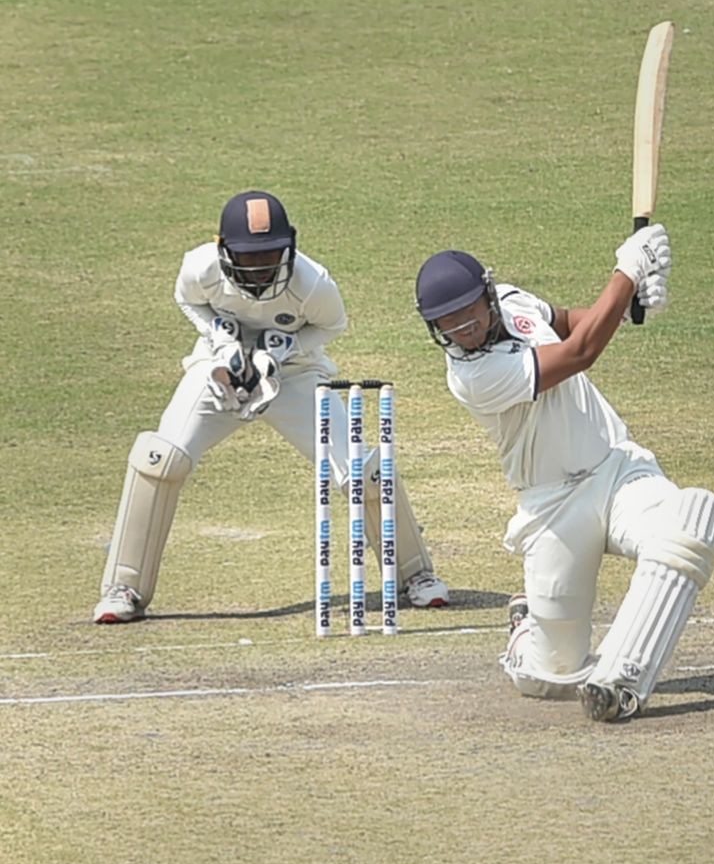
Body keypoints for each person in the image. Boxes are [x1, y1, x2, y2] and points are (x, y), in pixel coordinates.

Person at [413, 225, 714, 722]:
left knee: (692, 521)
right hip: (554, 506)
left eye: (467, 313)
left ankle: (621, 677)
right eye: (446, 324)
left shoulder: (514, 301)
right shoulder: (471, 376)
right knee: (551, 678)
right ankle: (525, 631)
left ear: (489, 295)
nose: (460, 329)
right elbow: (581, 353)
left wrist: (629, 306)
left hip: (619, 469)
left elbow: (567, 324)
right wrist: (628, 269)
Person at [94, 190, 449, 624]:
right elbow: (188, 301)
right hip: (219, 371)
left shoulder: (313, 283)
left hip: (295, 375)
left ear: (289, 246)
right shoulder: (199, 267)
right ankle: (124, 586)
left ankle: (415, 575)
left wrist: (284, 350)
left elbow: (333, 325)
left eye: (270, 255)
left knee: (359, 469)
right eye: (249, 257)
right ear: (223, 248)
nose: (261, 266)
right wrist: (222, 341)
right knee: (161, 458)